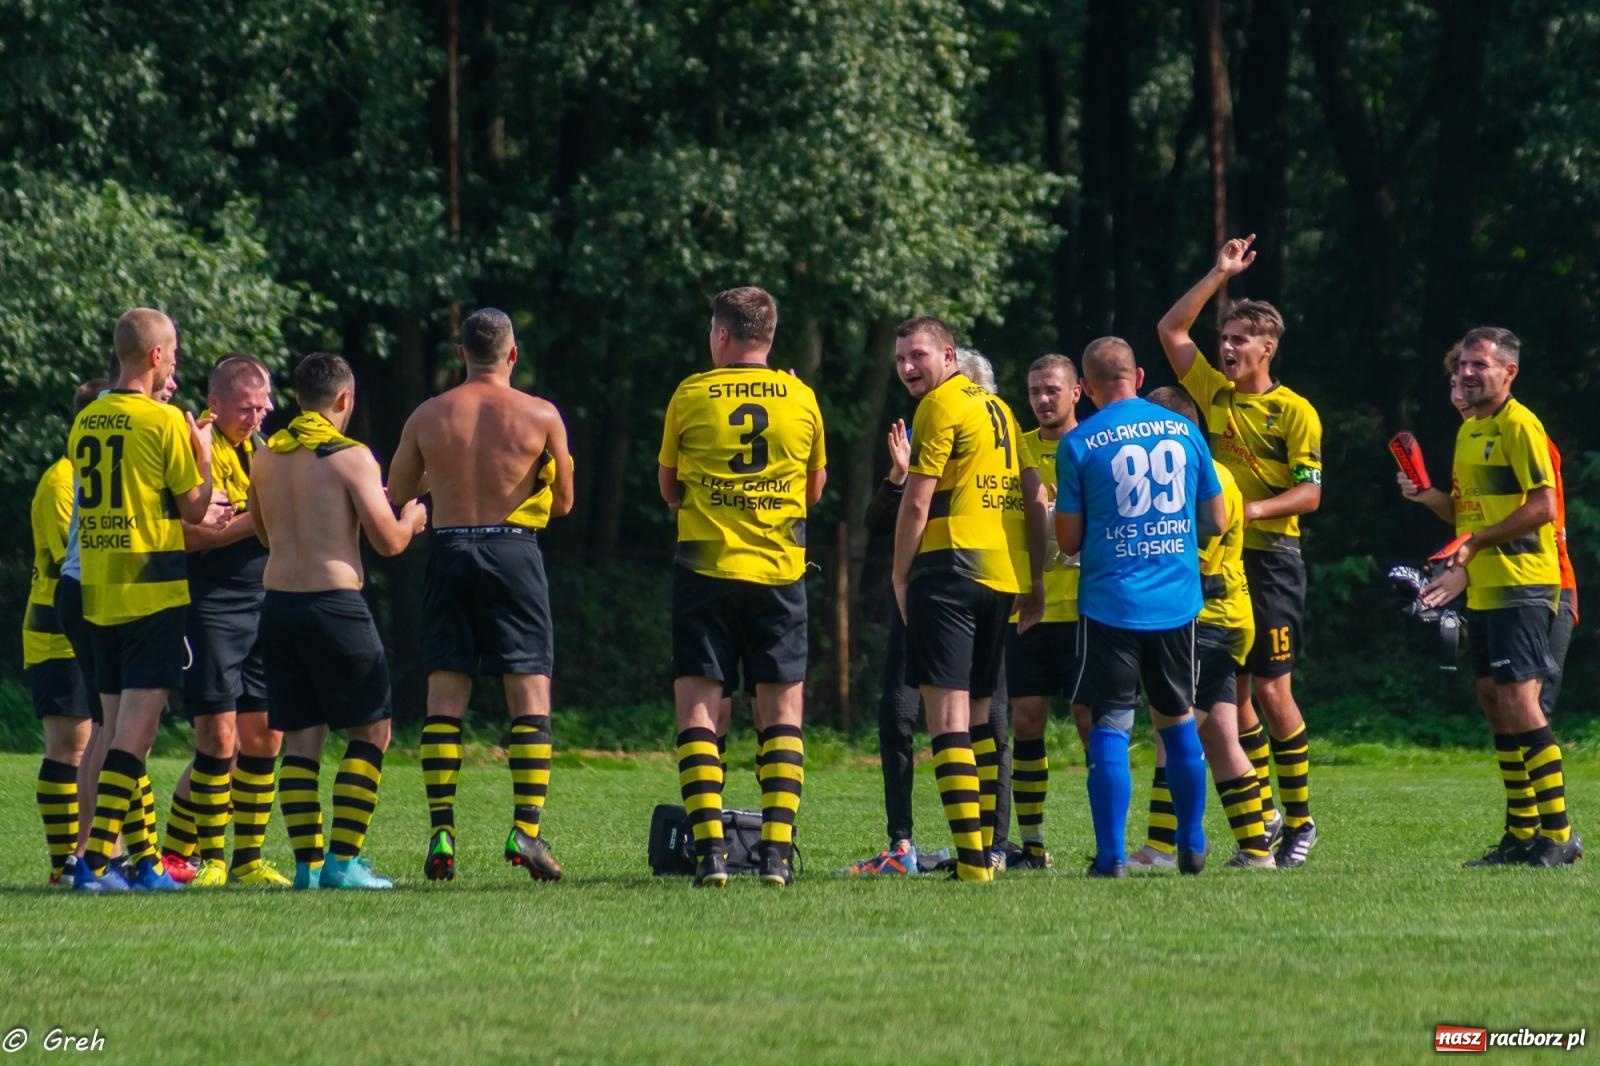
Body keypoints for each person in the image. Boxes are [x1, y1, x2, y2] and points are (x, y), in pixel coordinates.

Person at [389, 309, 574, 884]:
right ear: (512, 354)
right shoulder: (541, 414)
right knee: (529, 691)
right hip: (513, 549)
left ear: (461, 352)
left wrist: (441, 475)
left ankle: (442, 827)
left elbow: (396, 491)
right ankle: (526, 829)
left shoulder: (428, 415)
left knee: (445, 693)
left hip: (449, 548)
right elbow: (564, 502)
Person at [1158, 234, 1323, 866]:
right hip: (1219, 565)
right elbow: (1172, 329)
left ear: (1267, 349)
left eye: (1237, 341)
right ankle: (1266, 815)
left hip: (1272, 560)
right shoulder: (1212, 393)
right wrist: (1217, 272)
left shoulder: (1295, 412)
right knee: (1236, 697)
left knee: (1275, 693)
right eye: (1222, 339)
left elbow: (1309, 496)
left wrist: (1249, 509)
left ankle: (1302, 820)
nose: (1224, 349)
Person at [657, 286, 826, 888]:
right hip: (779, 571)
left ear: (722, 336)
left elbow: (669, 488)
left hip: (705, 568)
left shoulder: (691, 393)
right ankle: (776, 856)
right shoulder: (801, 398)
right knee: (781, 715)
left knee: (700, 712)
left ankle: (710, 854)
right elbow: (814, 489)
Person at [249, 353, 427, 889]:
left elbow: (262, 536)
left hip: (278, 607)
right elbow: (388, 541)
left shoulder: (267, 455)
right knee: (372, 730)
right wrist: (414, 516)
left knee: (301, 737)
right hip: (334, 606)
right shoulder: (352, 457)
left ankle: (306, 866)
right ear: (344, 400)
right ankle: (344, 863)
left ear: (298, 396)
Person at [1055, 338, 1224, 878]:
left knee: (1111, 723)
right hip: (1177, 600)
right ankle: (1192, 843)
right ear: (1139, 374)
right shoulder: (1185, 429)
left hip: (1112, 602)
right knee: (1176, 723)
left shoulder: (1080, 441)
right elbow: (1216, 519)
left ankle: (1111, 858)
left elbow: (1070, 539)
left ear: (1084, 385)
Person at [1412, 330, 1579, 866]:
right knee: (1495, 700)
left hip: (1525, 580)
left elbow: (1544, 506)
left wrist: (1476, 544)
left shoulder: (1519, 424)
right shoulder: (1471, 432)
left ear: (1509, 372)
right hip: (1486, 586)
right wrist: (1427, 498)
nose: (1465, 373)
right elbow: (1467, 518)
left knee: (1520, 702)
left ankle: (1558, 835)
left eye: (1478, 364)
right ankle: (1522, 833)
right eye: (1461, 363)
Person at [891, 316, 1045, 883]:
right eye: (901, 358)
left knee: (947, 718)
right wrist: (1034, 583)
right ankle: (983, 850)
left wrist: (899, 575)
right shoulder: (1001, 409)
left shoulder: (938, 406)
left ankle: (974, 862)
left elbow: (915, 503)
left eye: (918, 356)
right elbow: (1032, 499)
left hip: (949, 568)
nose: (908, 368)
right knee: (981, 716)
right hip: (999, 575)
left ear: (948, 354)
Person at [71, 309, 215, 892]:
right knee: (137, 733)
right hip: (151, 588)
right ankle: (97, 864)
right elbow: (195, 509)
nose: (176, 360)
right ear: (156, 355)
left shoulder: (86, 420)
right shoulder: (161, 422)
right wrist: (202, 452)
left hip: (98, 588)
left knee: (113, 727)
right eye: (174, 350)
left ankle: (130, 863)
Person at [1130, 386, 1276, 870]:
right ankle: (1257, 850)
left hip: (1206, 619)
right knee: (1218, 735)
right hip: (1232, 616)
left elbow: (1186, 554)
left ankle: (1162, 847)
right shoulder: (1220, 476)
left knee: (1174, 729)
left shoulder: (1200, 477)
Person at [159, 354, 284, 888]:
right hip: (208, 601)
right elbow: (188, 535)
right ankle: (205, 857)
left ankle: (247, 859)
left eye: (262, 407)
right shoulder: (196, 445)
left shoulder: (264, 452)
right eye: (245, 408)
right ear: (214, 403)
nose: (255, 417)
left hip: (263, 597)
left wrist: (248, 521)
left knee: (265, 736)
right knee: (218, 737)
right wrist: (255, 521)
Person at [1003, 354, 1092, 871]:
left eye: (1052, 390)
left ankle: (1110, 839)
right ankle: (1032, 844)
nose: (1042, 399)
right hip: (1029, 608)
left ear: (1076, 391)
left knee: (1090, 722)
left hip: (1086, 607)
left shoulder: (1096, 442)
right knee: (1027, 721)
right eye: (1035, 390)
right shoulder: (1017, 448)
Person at [26, 379, 106, 885]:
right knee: (69, 745)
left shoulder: (88, 476)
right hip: (56, 627)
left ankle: (95, 853)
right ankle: (64, 864)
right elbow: (73, 559)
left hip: (90, 619)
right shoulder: (63, 481)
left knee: (99, 737)